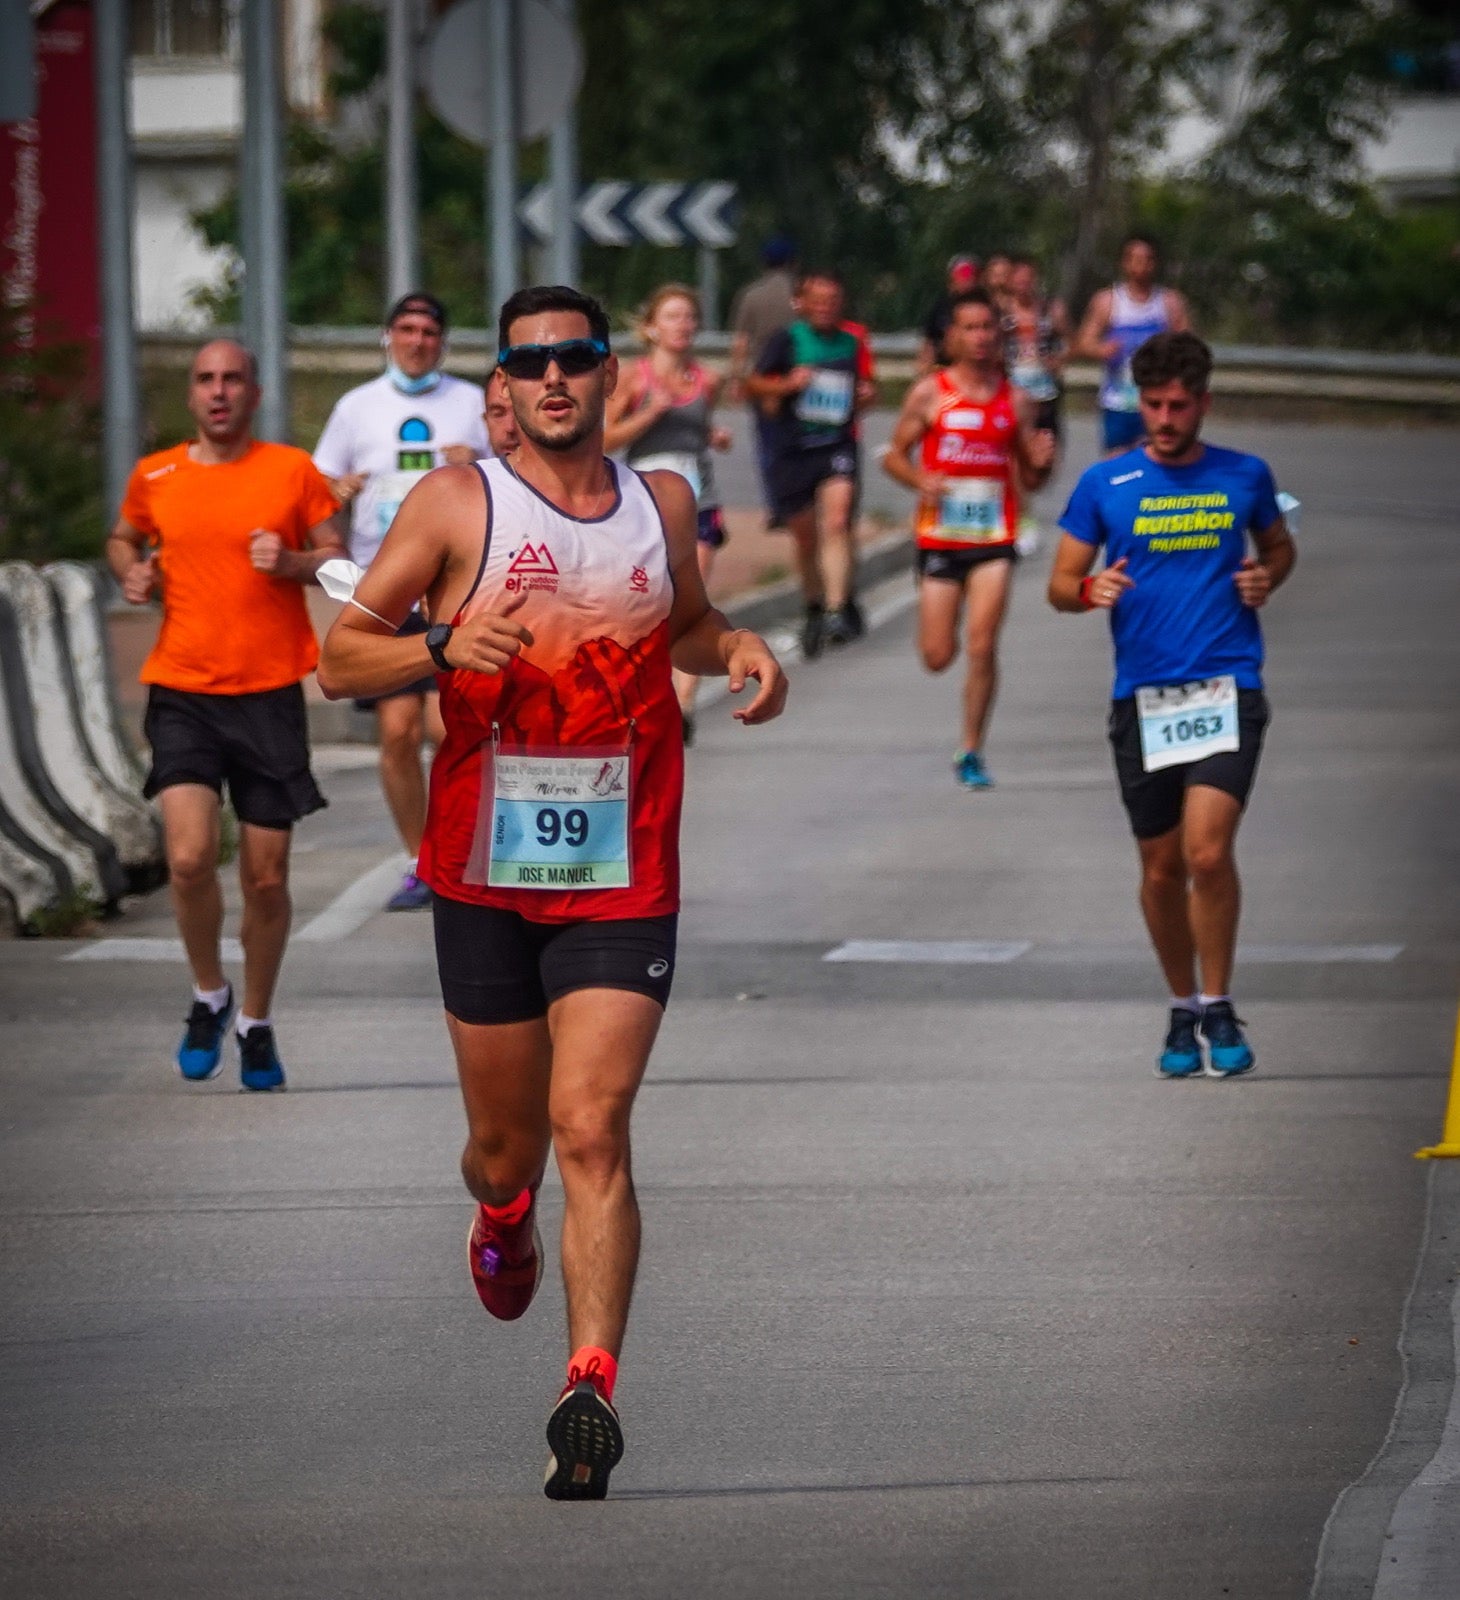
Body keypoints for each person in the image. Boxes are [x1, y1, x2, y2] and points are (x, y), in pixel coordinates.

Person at [316, 285, 787, 1499]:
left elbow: (684, 624)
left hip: (625, 867)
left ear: (610, 372)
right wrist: (435, 645)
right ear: (504, 386)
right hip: (483, 868)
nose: (555, 379)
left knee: (591, 1124)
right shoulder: (455, 501)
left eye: (575, 357)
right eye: (531, 364)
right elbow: (338, 660)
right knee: (504, 1145)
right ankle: (500, 1213)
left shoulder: (659, 502)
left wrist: (737, 645)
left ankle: (588, 1387)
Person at [1047, 332, 1295, 1078]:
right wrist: (1088, 589)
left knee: (1207, 852)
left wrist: (1267, 577)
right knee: (1161, 869)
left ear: (1203, 403)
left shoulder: (1244, 475)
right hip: (1143, 698)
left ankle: (1219, 1002)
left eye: (1177, 406)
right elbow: (1060, 584)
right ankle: (1182, 1006)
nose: (1162, 418)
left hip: (1227, 686)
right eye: (1152, 404)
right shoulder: (1106, 483)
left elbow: (1279, 546)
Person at [107, 339, 343, 1091]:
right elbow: (122, 538)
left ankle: (257, 1021)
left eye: (232, 379)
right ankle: (209, 994)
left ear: (254, 393)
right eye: (206, 379)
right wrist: (132, 571)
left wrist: (294, 562)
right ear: (191, 394)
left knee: (266, 880)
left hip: (269, 693)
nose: (218, 391)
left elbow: (337, 559)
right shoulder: (156, 475)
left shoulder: (291, 471)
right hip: (182, 690)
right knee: (187, 859)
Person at [313, 293, 490, 911]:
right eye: (407, 329)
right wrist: (335, 494)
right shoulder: (356, 406)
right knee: (397, 730)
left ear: (443, 341)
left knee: (448, 728)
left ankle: (461, 851)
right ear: (387, 336)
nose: (417, 341)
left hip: (452, 587)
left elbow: (516, 474)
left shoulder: (471, 403)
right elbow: (317, 488)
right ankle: (422, 862)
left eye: (429, 331)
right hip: (383, 587)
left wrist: (480, 461)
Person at [884, 289, 1055, 789]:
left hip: (993, 538)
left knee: (982, 644)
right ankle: (944, 634)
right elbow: (893, 455)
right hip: (941, 537)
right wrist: (919, 480)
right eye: (970, 328)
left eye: (988, 327)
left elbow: (1031, 478)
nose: (981, 337)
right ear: (951, 337)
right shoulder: (929, 393)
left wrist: (1041, 464)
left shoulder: (1016, 400)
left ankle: (972, 748)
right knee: (938, 656)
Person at [604, 284, 732, 745]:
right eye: (673, 316)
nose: (683, 325)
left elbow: (697, 428)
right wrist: (650, 414)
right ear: (652, 327)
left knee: (692, 600)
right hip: (647, 506)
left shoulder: (708, 380)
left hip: (700, 500)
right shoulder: (634, 379)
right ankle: (646, 693)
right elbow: (605, 440)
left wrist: (713, 436)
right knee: (650, 601)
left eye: (689, 317)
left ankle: (684, 705)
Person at [746, 269, 876, 656]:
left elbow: (868, 386)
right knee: (806, 538)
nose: (825, 308)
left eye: (832, 301)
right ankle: (814, 605)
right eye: (817, 301)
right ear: (801, 304)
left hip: (836, 443)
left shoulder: (851, 341)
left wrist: (866, 395)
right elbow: (753, 384)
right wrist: (788, 384)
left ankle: (837, 609)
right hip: (794, 448)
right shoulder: (786, 340)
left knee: (837, 520)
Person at [1072, 234, 1191, 458]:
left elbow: (1189, 347)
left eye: (1147, 259)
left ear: (1155, 263)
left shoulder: (1170, 302)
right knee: (1117, 464)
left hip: (1158, 402)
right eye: (1135, 259)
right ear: (1124, 262)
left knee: (1156, 461)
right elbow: (1084, 342)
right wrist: (1103, 350)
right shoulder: (1107, 301)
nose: (1141, 266)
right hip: (1118, 402)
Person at [1002, 256, 1071, 550]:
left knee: (1047, 458)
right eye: (1017, 279)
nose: (1023, 285)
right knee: (1016, 456)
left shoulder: (1050, 310)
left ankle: (1026, 497)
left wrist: (1059, 359)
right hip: (1014, 393)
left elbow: (1071, 341)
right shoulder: (1001, 313)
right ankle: (1023, 515)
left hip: (1046, 393)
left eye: (1028, 279)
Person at [727, 236, 797, 518]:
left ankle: (775, 505)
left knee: (767, 443)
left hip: (762, 377)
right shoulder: (800, 296)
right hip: (795, 376)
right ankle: (797, 502)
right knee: (796, 441)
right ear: (793, 262)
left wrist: (736, 378)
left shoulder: (751, 295)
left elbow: (741, 341)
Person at [917, 254, 979, 374]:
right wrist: (924, 368)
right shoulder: (941, 306)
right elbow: (930, 340)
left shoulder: (985, 308)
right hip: (944, 367)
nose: (966, 282)